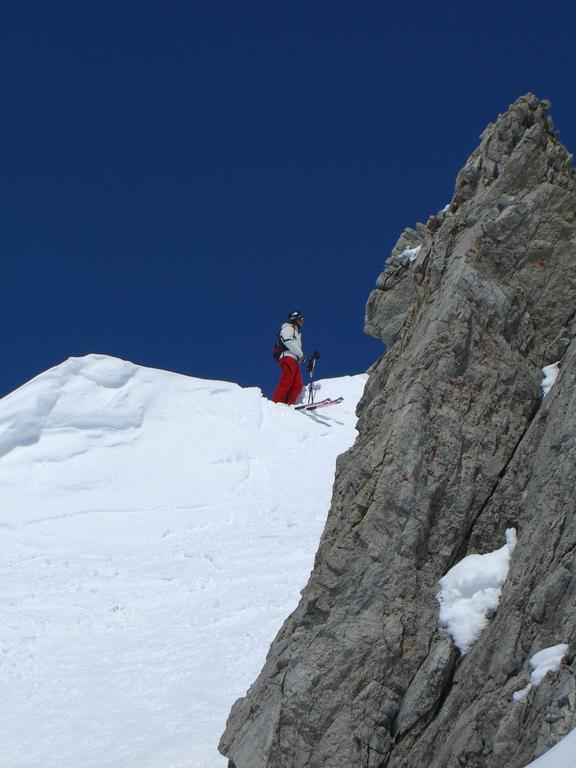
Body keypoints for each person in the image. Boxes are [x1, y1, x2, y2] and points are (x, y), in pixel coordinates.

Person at [272, 310, 306, 405]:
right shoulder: (288, 328)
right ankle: (276, 403)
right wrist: (301, 354)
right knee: (287, 379)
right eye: (301, 319)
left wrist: (300, 357)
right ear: (294, 319)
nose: (302, 321)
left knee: (297, 384)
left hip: (294, 359)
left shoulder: (296, 332)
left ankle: (289, 404)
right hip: (287, 356)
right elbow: (287, 341)